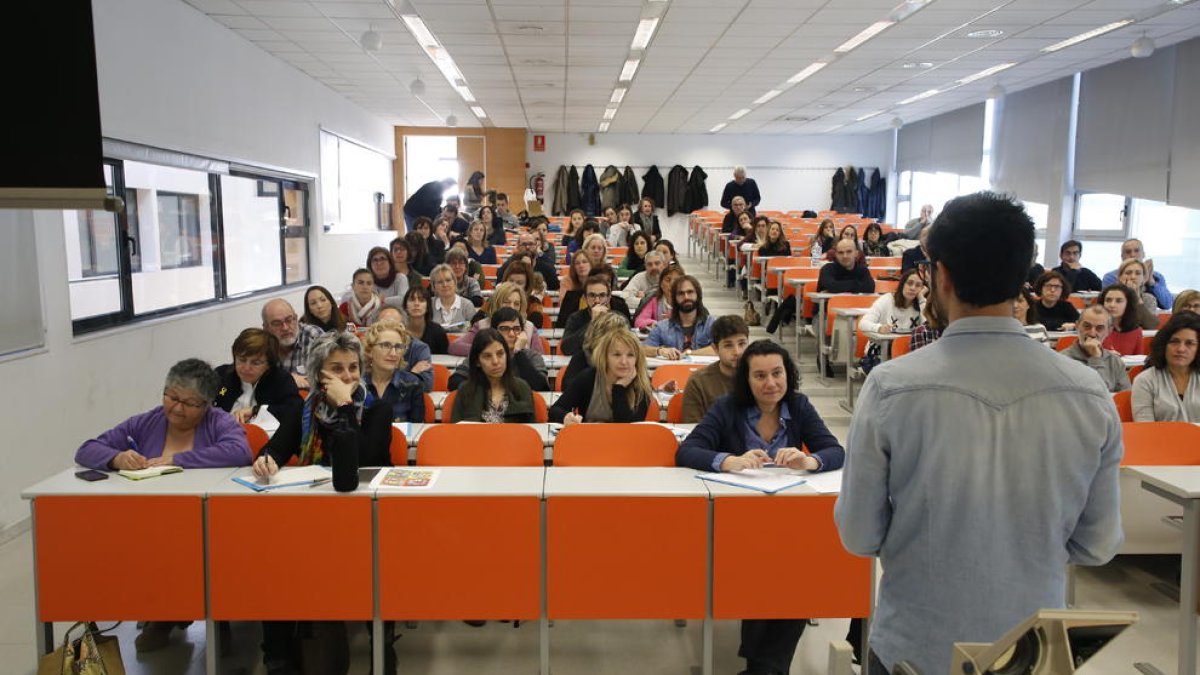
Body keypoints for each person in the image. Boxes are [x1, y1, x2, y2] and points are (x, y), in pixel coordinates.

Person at [834, 191, 1123, 675]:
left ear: (940, 274)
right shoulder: (1089, 393)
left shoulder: (891, 387)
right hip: (1031, 647)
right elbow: (1097, 545)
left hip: (916, 645)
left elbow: (860, 535)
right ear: (1025, 275)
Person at [676, 339, 843, 675]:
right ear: (747, 381)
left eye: (777, 373)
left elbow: (834, 450)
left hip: (787, 521)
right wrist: (729, 461)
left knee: (794, 570)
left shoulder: (798, 405)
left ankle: (763, 668)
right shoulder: (727, 408)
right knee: (765, 566)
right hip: (735, 523)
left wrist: (809, 460)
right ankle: (766, 668)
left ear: (788, 374)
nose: (771, 383)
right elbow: (687, 451)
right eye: (760, 376)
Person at [75, 358, 251, 652]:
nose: (177, 408)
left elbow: (239, 451)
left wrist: (177, 459)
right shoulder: (146, 421)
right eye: (172, 397)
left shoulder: (218, 421)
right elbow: (86, 449)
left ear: (207, 403)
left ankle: (202, 618)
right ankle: (164, 614)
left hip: (207, 524)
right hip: (152, 525)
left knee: (200, 553)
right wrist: (116, 458)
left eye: (190, 403)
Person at [251, 332, 395, 674]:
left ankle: (384, 646)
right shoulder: (306, 410)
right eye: (337, 369)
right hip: (316, 516)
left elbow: (351, 472)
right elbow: (276, 446)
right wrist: (266, 459)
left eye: (353, 368)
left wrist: (345, 405)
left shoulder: (377, 409)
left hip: (367, 517)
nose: (348, 376)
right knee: (274, 561)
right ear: (320, 375)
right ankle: (279, 656)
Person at [766, 238, 874, 334]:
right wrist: (856, 285)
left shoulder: (863, 270)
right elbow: (833, 286)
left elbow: (870, 288)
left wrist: (837, 290)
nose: (845, 256)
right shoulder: (828, 269)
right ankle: (825, 356)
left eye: (849, 252)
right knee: (841, 327)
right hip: (824, 316)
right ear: (836, 254)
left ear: (856, 253)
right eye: (841, 252)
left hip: (857, 314)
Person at [550, 329, 652, 424]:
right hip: (590, 440)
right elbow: (555, 410)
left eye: (630, 355)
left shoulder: (642, 385)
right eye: (617, 355)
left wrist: (619, 388)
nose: (624, 362)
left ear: (637, 358)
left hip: (624, 443)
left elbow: (626, 428)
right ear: (605, 357)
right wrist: (565, 417)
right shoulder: (588, 378)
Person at [214, 328, 303, 424]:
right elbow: (212, 402)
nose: (246, 368)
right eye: (242, 360)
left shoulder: (280, 380)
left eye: (256, 363)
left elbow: (294, 409)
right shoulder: (222, 376)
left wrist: (256, 410)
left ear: (269, 364)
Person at [449, 307, 549, 392]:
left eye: (516, 329)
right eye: (504, 329)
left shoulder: (532, 356)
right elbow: (454, 382)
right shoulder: (483, 355)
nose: (511, 334)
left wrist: (518, 352)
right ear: (494, 331)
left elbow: (541, 387)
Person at [450, 327, 539, 423]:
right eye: (487, 356)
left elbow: (529, 431)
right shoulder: (466, 390)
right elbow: (456, 433)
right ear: (477, 361)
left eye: (500, 354)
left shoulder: (522, 388)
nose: (496, 362)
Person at [1132, 311, 1200, 422]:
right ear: (1163, 345)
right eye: (1174, 342)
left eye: (1189, 343)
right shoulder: (1145, 380)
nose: (1181, 349)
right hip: (1158, 439)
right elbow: (1145, 428)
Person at [681, 315, 749, 423]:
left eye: (742, 344)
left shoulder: (759, 377)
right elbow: (693, 429)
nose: (737, 352)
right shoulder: (698, 382)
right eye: (728, 345)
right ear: (715, 349)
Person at [450, 281, 544, 357]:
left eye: (516, 304)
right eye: (506, 302)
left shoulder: (529, 327)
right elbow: (454, 346)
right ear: (497, 303)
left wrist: (520, 350)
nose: (511, 307)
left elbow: (539, 358)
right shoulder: (482, 325)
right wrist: (490, 351)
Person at [360, 320, 425, 423]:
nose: (393, 353)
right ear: (369, 350)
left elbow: (416, 429)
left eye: (398, 347)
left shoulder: (412, 384)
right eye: (386, 345)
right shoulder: (357, 384)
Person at [1061, 305, 1132, 393]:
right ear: (1077, 326)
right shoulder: (1062, 360)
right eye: (1087, 326)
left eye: (1099, 328)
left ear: (1109, 331)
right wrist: (1096, 359)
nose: (1092, 333)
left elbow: (1125, 396)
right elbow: (1095, 395)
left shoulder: (1115, 361)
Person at [644, 274, 716, 360]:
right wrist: (660, 350)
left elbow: (719, 349)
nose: (686, 297)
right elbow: (643, 350)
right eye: (681, 293)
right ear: (674, 298)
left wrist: (689, 353)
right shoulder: (662, 327)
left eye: (690, 292)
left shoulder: (712, 324)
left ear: (698, 295)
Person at [263, 298, 326, 390]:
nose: (285, 328)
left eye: (289, 320)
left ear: (296, 318)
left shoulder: (313, 336)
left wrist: (288, 381)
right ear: (266, 328)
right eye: (277, 323)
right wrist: (287, 380)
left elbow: (331, 377)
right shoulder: (262, 345)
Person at [561, 273, 632, 355]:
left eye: (602, 295)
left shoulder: (619, 318)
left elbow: (629, 346)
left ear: (609, 298)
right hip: (584, 362)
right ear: (585, 298)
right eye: (592, 295)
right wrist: (593, 323)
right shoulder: (575, 318)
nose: (597, 300)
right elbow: (566, 349)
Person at [1102, 237, 1173, 309]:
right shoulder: (1111, 277)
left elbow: (1167, 305)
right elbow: (1109, 305)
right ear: (1122, 256)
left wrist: (1151, 282)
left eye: (1136, 251)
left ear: (1143, 254)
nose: (1133, 255)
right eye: (1128, 252)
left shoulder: (1157, 276)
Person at [377, 306, 435, 392]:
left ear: (404, 328)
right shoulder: (370, 347)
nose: (390, 330)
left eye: (395, 325)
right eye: (384, 326)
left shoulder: (419, 348)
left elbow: (426, 385)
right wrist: (412, 374)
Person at [859, 269, 924, 334]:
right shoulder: (887, 299)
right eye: (909, 283)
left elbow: (929, 329)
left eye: (918, 285)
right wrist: (879, 328)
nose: (913, 288)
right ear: (902, 285)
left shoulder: (922, 303)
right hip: (882, 343)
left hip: (908, 344)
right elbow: (863, 323)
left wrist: (921, 299)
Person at [1097, 284, 1145, 355]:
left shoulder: (1136, 331)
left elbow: (1139, 361)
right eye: (1108, 300)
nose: (1112, 305)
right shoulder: (1094, 328)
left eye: (1119, 301)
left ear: (1128, 304)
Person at [402, 286, 449, 355]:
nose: (416, 304)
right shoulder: (399, 330)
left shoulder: (437, 332)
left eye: (421, 300)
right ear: (405, 307)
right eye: (412, 300)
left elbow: (445, 359)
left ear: (427, 307)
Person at [1116, 258, 1161, 330]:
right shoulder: (1110, 296)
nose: (1133, 277)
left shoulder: (1149, 299)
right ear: (1120, 277)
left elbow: (1151, 325)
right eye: (1128, 273)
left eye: (1138, 273)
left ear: (1144, 279)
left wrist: (1136, 297)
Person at [634, 264, 684, 330]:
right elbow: (639, 321)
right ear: (661, 284)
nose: (672, 284)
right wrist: (654, 324)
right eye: (668, 280)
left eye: (677, 281)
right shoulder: (654, 301)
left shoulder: (687, 302)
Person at [500, 259, 545, 329]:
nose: (513, 285)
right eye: (511, 281)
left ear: (527, 286)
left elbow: (535, 326)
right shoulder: (494, 299)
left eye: (519, 283)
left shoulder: (534, 303)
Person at [428, 263, 476, 329]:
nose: (445, 285)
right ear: (434, 286)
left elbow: (474, 332)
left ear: (455, 282)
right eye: (440, 282)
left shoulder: (467, 306)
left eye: (448, 280)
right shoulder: (428, 304)